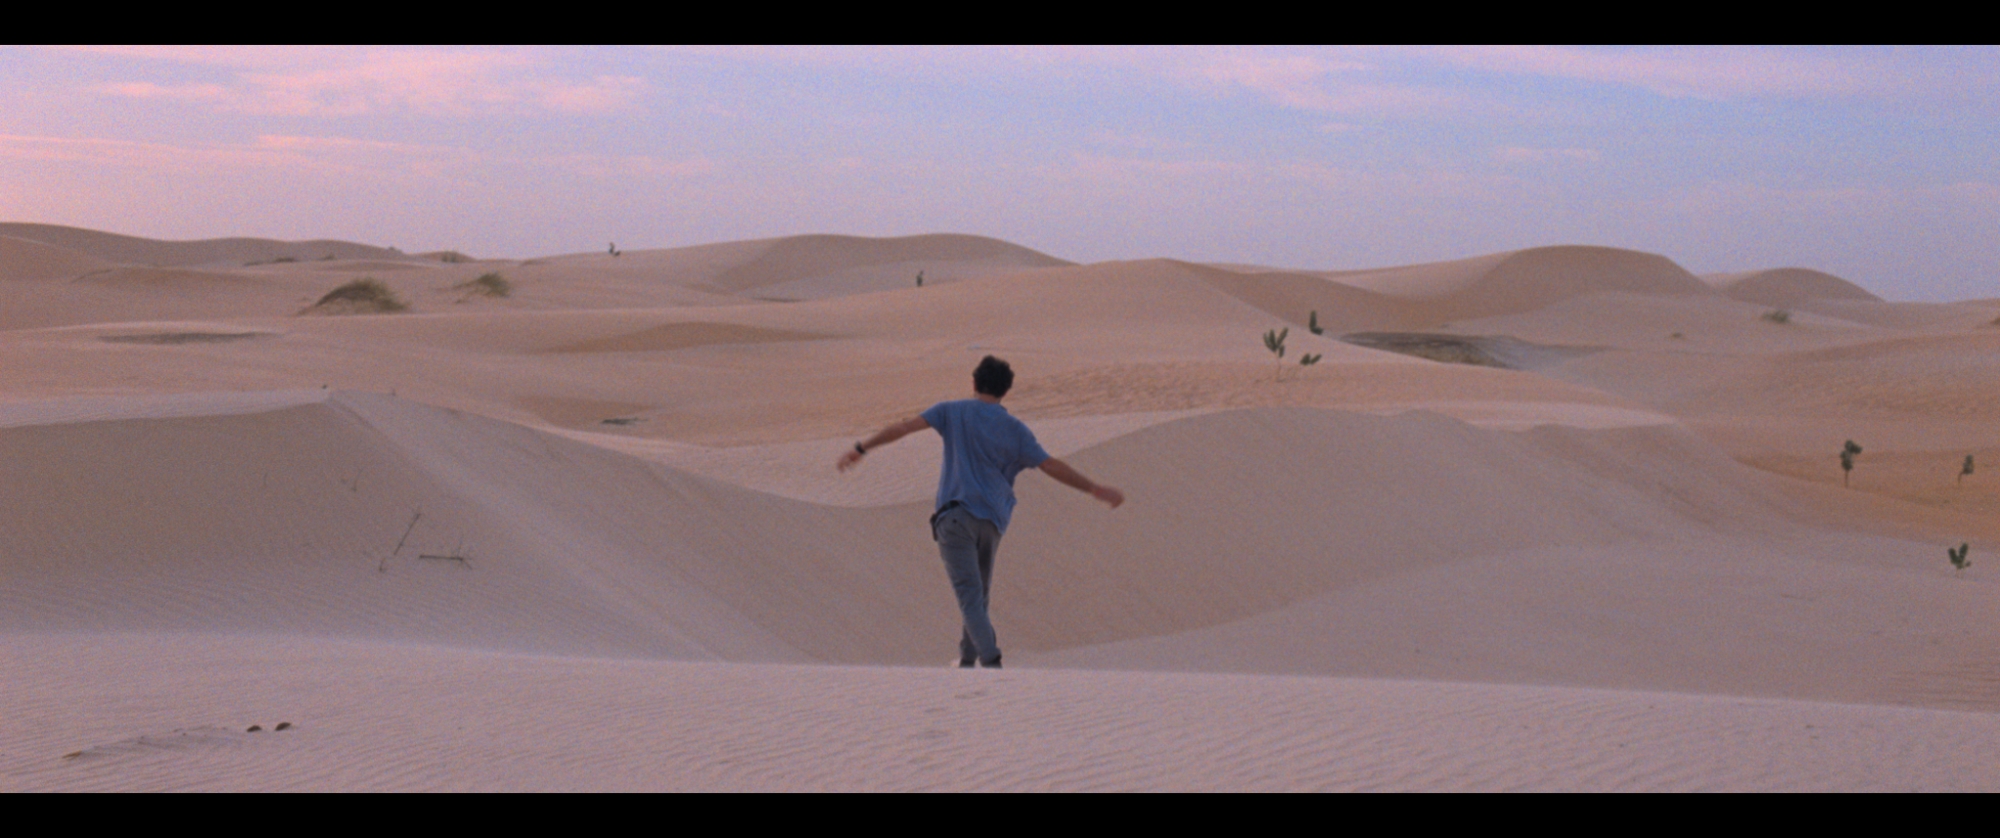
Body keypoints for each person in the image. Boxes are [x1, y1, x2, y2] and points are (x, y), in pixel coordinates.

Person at [836, 356, 1124, 668]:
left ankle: (991, 662)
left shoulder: (951, 410)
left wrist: (862, 448)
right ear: (1006, 391)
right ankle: (967, 660)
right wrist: (1093, 488)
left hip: (956, 517)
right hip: (992, 523)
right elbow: (1050, 465)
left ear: (974, 383)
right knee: (978, 597)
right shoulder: (1016, 430)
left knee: (970, 596)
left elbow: (904, 427)